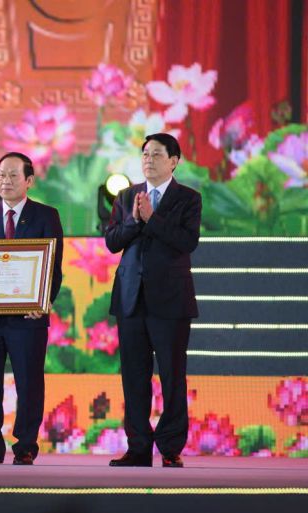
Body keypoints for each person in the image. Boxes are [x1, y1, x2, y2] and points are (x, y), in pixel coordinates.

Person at [105, 133, 201, 468]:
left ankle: (171, 447)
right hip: (131, 299)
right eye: (145, 154)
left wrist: (152, 219)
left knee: (172, 375)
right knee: (133, 376)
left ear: (174, 160)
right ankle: (138, 448)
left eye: (157, 154)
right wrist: (133, 220)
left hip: (170, 301)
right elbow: (112, 242)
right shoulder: (126, 195)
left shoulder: (188, 198)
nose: (149, 160)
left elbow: (187, 242)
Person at [0, 152, 63, 465]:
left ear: (29, 181)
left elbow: (53, 268)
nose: (5, 181)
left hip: (28, 318)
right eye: (1, 175)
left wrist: (43, 302)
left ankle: (25, 446)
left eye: (12, 176)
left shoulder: (47, 216)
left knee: (29, 382)